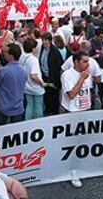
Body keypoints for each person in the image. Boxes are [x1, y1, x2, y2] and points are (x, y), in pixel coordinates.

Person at [60, 51, 93, 188]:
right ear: (76, 62)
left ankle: (80, 166)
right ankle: (72, 172)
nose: (87, 64)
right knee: (72, 143)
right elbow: (72, 94)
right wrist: (82, 79)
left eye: (88, 61)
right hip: (72, 112)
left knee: (83, 141)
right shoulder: (67, 75)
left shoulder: (86, 73)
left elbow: (89, 90)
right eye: (84, 61)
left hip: (84, 110)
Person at [0, 43, 27, 126]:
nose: (4, 54)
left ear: (11, 56)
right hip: (18, 107)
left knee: (0, 131)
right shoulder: (24, 70)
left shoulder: (3, 71)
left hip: (4, 107)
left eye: (6, 52)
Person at [20, 38, 46, 120]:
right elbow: (34, 76)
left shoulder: (21, 57)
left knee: (29, 106)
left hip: (27, 86)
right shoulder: (33, 60)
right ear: (32, 48)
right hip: (36, 87)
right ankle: (39, 124)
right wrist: (42, 83)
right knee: (38, 107)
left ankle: (27, 123)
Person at [39, 32, 64, 115]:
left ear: (50, 41)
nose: (44, 42)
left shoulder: (54, 51)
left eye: (46, 40)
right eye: (43, 40)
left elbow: (59, 64)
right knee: (46, 95)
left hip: (53, 78)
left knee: (54, 96)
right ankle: (48, 109)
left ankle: (54, 112)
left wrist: (54, 80)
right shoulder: (42, 49)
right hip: (45, 76)